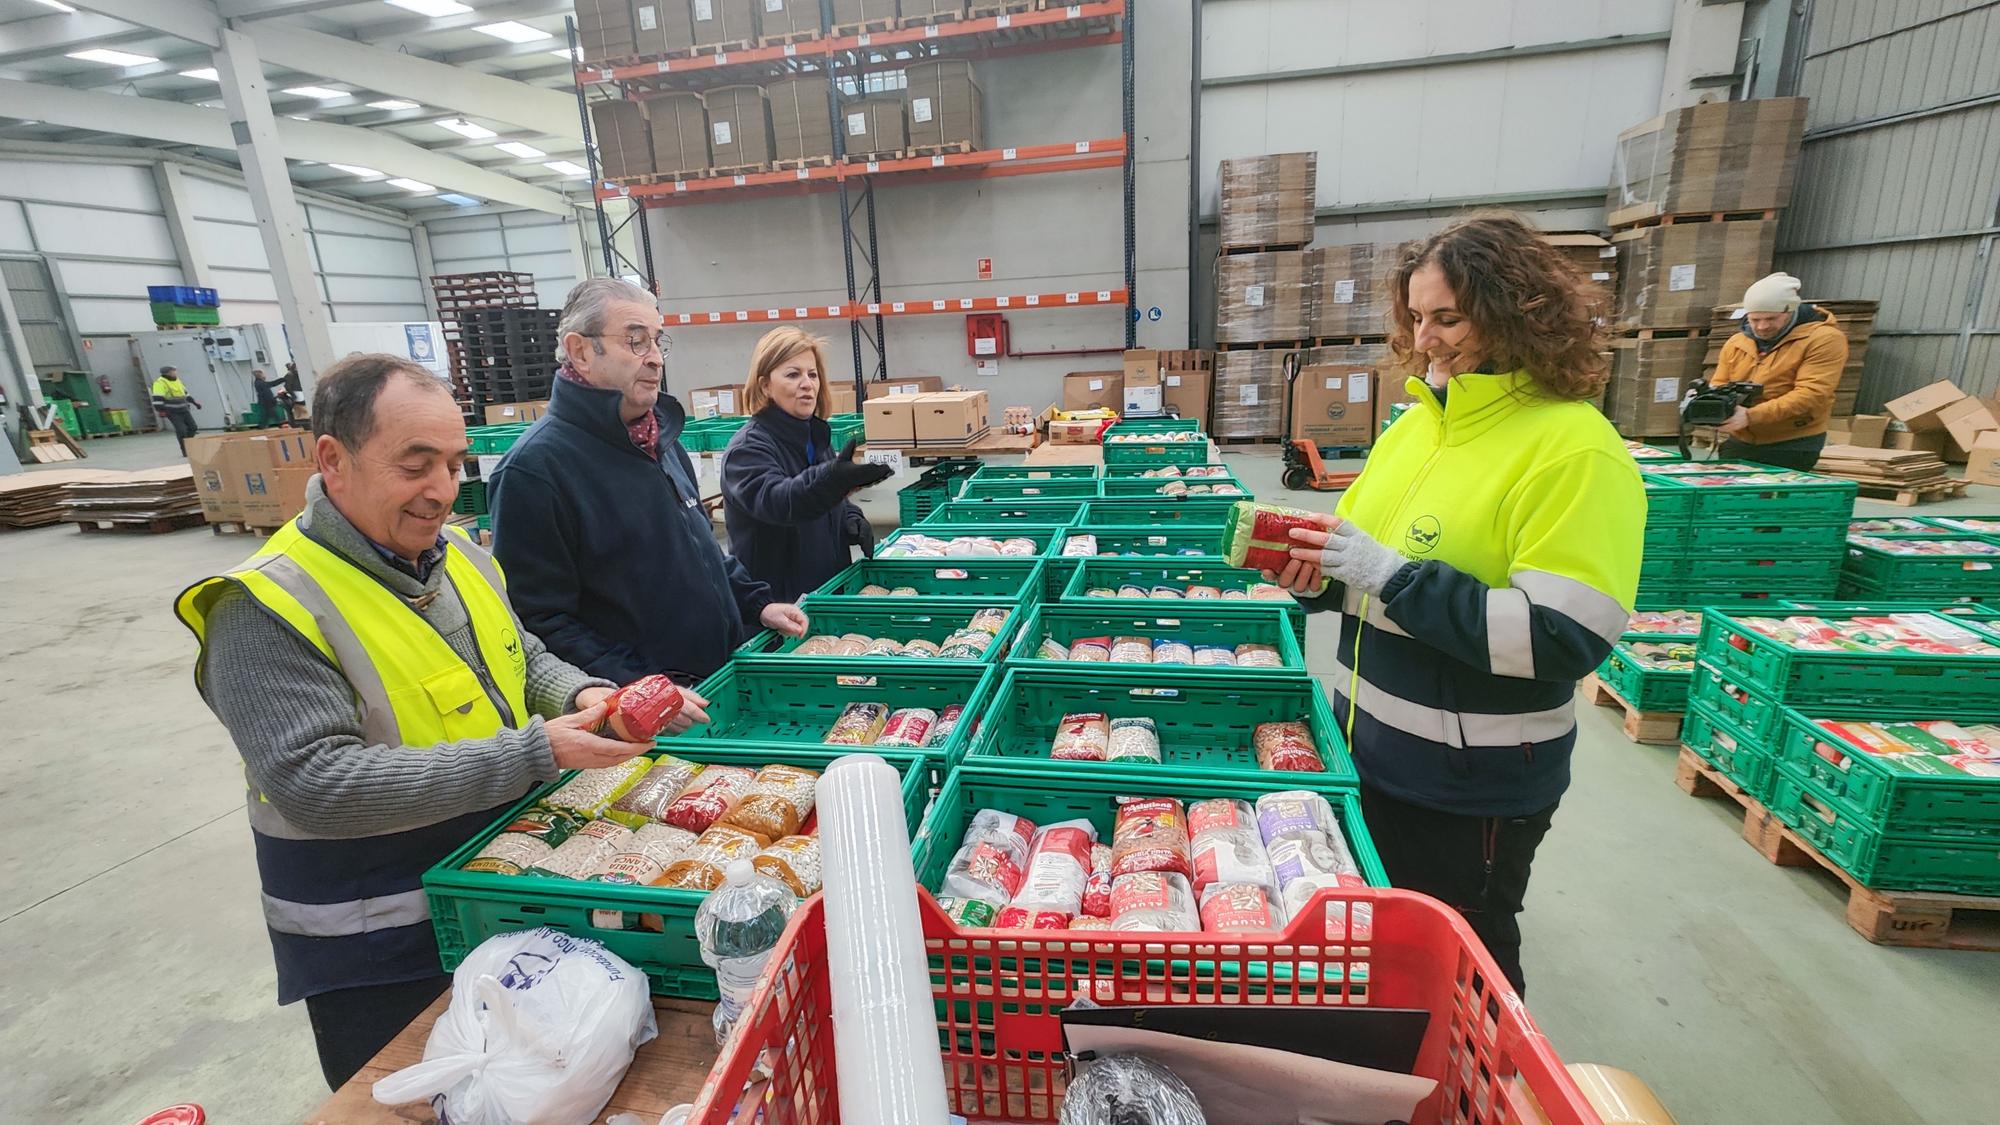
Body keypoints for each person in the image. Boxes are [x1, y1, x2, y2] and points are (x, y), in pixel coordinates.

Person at [173, 354, 662, 1089]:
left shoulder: (456, 553)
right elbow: (315, 782)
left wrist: (582, 696)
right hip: (377, 946)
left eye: (455, 463)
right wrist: (535, 750)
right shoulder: (264, 604)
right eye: (416, 465)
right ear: (333, 460)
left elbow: (519, 654)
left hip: (492, 899)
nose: (441, 490)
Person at [1270, 214, 1644, 994]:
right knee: (1390, 958)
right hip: (1369, 752)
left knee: (1462, 967)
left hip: (1469, 783)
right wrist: (1323, 578)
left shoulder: (1574, 449)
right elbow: (1366, 569)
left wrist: (1394, 575)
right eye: (1415, 316)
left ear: (1515, 314)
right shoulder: (1417, 429)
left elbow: (1564, 637)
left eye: (1448, 317)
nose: (1426, 336)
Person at [488, 278, 810, 685]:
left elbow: (701, 551)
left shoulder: (659, 439)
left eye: (658, 341)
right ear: (580, 351)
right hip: (642, 719)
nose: (656, 358)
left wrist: (757, 603)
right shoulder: (535, 471)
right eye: (636, 341)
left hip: (712, 684)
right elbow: (540, 621)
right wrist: (643, 689)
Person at [720, 327, 893, 601]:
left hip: (826, 596)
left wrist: (850, 518)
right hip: (778, 609)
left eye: (812, 374)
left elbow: (824, 497)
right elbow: (782, 501)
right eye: (793, 374)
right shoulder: (747, 450)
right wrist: (831, 479)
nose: (807, 384)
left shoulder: (815, 437)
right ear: (765, 385)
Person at [1708, 272, 1847, 470]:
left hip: (1792, 442)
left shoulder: (1823, 339)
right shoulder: (1737, 342)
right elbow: (1720, 382)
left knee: (1774, 500)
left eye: (1771, 319)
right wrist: (1713, 404)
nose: (1762, 327)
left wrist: (1751, 416)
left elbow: (1811, 393)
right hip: (1742, 439)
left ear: (1790, 311)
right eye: (1755, 319)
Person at [151, 364, 200, 452]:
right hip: (172, 411)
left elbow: (185, 394)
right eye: (174, 371)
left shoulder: (177, 380)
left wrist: (194, 402)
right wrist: (161, 410)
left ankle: (188, 444)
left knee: (193, 427)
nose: (175, 373)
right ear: (168, 373)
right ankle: (185, 450)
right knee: (182, 430)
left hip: (184, 409)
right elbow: (157, 398)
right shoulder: (159, 383)